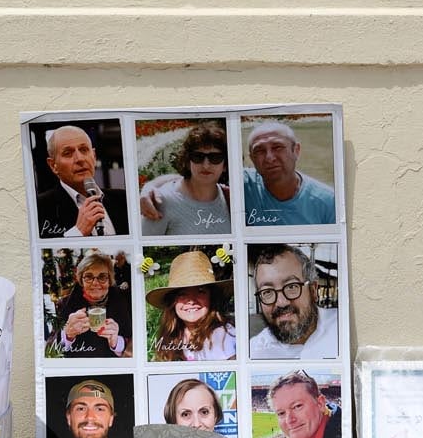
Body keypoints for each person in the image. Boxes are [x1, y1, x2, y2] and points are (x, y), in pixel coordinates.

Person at [140, 119, 336, 228]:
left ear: (296, 150)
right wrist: (150, 187)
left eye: (278, 147)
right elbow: (199, 178)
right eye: (260, 151)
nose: (269, 157)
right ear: (251, 158)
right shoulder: (244, 183)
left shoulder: (328, 202)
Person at [247, 244, 339, 360]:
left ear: (313, 290)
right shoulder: (253, 353)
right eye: (267, 292)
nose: (281, 302)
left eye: (291, 286)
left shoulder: (342, 328)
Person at [35, 125, 127, 238]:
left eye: (84, 150)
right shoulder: (39, 209)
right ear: (53, 165)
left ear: (94, 156)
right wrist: (78, 232)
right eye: (68, 153)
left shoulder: (124, 200)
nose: (80, 159)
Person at [142, 123, 231, 235]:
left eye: (215, 158)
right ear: (188, 162)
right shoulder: (162, 200)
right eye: (198, 157)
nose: (206, 165)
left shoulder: (230, 199)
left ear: (225, 165)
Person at [147, 250, 236, 361]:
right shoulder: (174, 335)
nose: (191, 300)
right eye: (182, 294)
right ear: (173, 301)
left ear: (211, 297)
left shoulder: (222, 336)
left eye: (200, 291)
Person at [52, 252, 130, 358]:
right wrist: (67, 335)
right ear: (81, 281)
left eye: (102, 277)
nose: (95, 283)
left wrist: (116, 342)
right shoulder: (65, 304)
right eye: (88, 277)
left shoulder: (123, 302)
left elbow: (135, 344)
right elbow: (51, 349)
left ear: (110, 280)